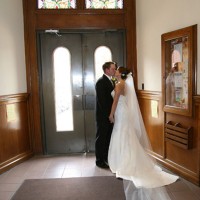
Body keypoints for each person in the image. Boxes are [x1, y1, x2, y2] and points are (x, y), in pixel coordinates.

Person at [108, 66, 179, 199]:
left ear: (121, 74)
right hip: (124, 112)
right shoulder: (124, 84)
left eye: (117, 70)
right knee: (126, 136)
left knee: (122, 135)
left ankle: (125, 162)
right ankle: (126, 159)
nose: (115, 71)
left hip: (121, 112)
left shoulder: (119, 85)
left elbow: (116, 101)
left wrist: (111, 114)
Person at [95, 61, 117, 168]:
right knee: (101, 138)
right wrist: (109, 115)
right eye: (113, 69)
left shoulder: (112, 81)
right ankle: (99, 161)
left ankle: (105, 158)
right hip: (103, 116)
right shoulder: (101, 82)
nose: (115, 70)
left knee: (108, 138)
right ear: (107, 70)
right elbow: (102, 102)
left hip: (110, 116)